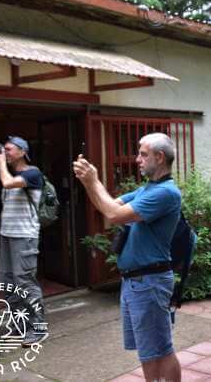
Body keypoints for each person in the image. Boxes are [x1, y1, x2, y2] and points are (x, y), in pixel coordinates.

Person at [73, 133, 182, 382]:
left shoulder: (166, 193)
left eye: (143, 154)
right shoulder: (147, 189)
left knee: (162, 349)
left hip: (150, 281)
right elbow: (109, 206)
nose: (137, 159)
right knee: (147, 350)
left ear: (159, 157)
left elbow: (112, 214)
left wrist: (93, 180)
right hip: (136, 281)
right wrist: (89, 182)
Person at [0, 136, 48, 346]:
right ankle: (19, 323)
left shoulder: (32, 173)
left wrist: (0, 164)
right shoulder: (7, 172)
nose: (5, 153)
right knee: (8, 283)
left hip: (25, 235)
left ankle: (38, 328)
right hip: (6, 234)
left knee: (25, 282)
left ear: (22, 152)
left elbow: (8, 183)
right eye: (3, 150)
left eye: (9, 149)